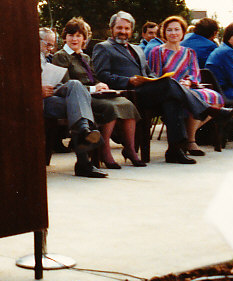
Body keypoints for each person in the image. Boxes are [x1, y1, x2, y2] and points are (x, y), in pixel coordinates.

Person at [92, 11, 212, 164]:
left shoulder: (137, 49)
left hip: (147, 91)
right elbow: (103, 76)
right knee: (170, 85)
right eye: (119, 28)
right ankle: (203, 108)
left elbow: (149, 72)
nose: (123, 32)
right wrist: (129, 81)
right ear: (111, 29)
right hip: (127, 94)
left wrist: (156, 79)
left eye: (127, 28)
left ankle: (175, 150)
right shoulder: (103, 47)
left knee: (171, 98)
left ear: (132, 30)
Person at [51, 18, 144, 168]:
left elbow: (93, 78)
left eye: (78, 36)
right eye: (70, 35)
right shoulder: (61, 56)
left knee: (127, 104)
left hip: (94, 93)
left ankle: (130, 150)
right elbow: (67, 86)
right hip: (81, 97)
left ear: (84, 39)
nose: (74, 39)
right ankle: (104, 151)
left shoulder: (85, 57)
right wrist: (93, 89)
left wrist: (101, 85)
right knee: (110, 107)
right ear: (64, 37)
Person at [149, 16, 231, 156]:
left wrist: (188, 82)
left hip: (188, 87)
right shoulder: (157, 51)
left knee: (213, 96)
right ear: (164, 32)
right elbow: (155, 75)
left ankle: (188, 137)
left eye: (177, 29)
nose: (173, 33)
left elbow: (194, 74)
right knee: (195, 96)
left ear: (183, 32)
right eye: (169, 30)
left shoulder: (189, 52)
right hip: (168, 89)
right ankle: (191, 141)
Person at [39, 27, 107, 178]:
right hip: (37, 101)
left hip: (51, 96)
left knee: (76, 85)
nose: (50, 49)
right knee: (77, 105)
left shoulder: (45, 58)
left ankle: (83, 130)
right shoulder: (28, 57)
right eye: (47, 45)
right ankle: (83, 161)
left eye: (52, 45)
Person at [206, 22, 233, 102]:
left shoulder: (223, 49)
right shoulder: (228, 52)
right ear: (228, 36)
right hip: (226, 92)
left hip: (221, 90)